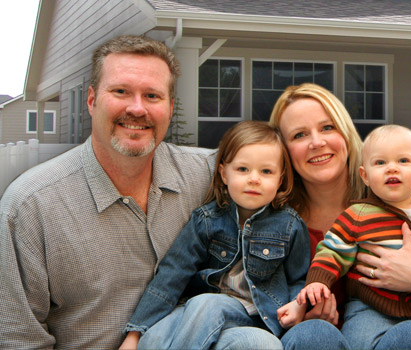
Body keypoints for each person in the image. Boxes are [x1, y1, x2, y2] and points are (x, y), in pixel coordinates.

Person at [0, 35, 275, 349]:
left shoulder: (212, 175)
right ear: (91, 100)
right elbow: (18, 339)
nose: (137, 108)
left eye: (152, 96)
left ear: (170, 108)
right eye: (121, 91)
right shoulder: (30, 206)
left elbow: (289, 186)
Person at [269, 83, 411, 349]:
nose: (317, 142)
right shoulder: (273, 222)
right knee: (312, 335)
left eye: (328, 127)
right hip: (336, 337)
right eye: (299, 135)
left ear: (345, 133)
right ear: (283, 150)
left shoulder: (404, 198)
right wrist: (301, 311)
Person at [120, 121, 309, 349]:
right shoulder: (207, 220)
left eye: (266, 171)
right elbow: (172, 274)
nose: (254, 179)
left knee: (256, 339)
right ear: (224, 174)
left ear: (280, 179)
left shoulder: (289, 225)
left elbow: (299, 277)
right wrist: (135, 333)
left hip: (252, 315)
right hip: (197, 317)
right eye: (242, 169)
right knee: (154, 339)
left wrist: (298, 304)